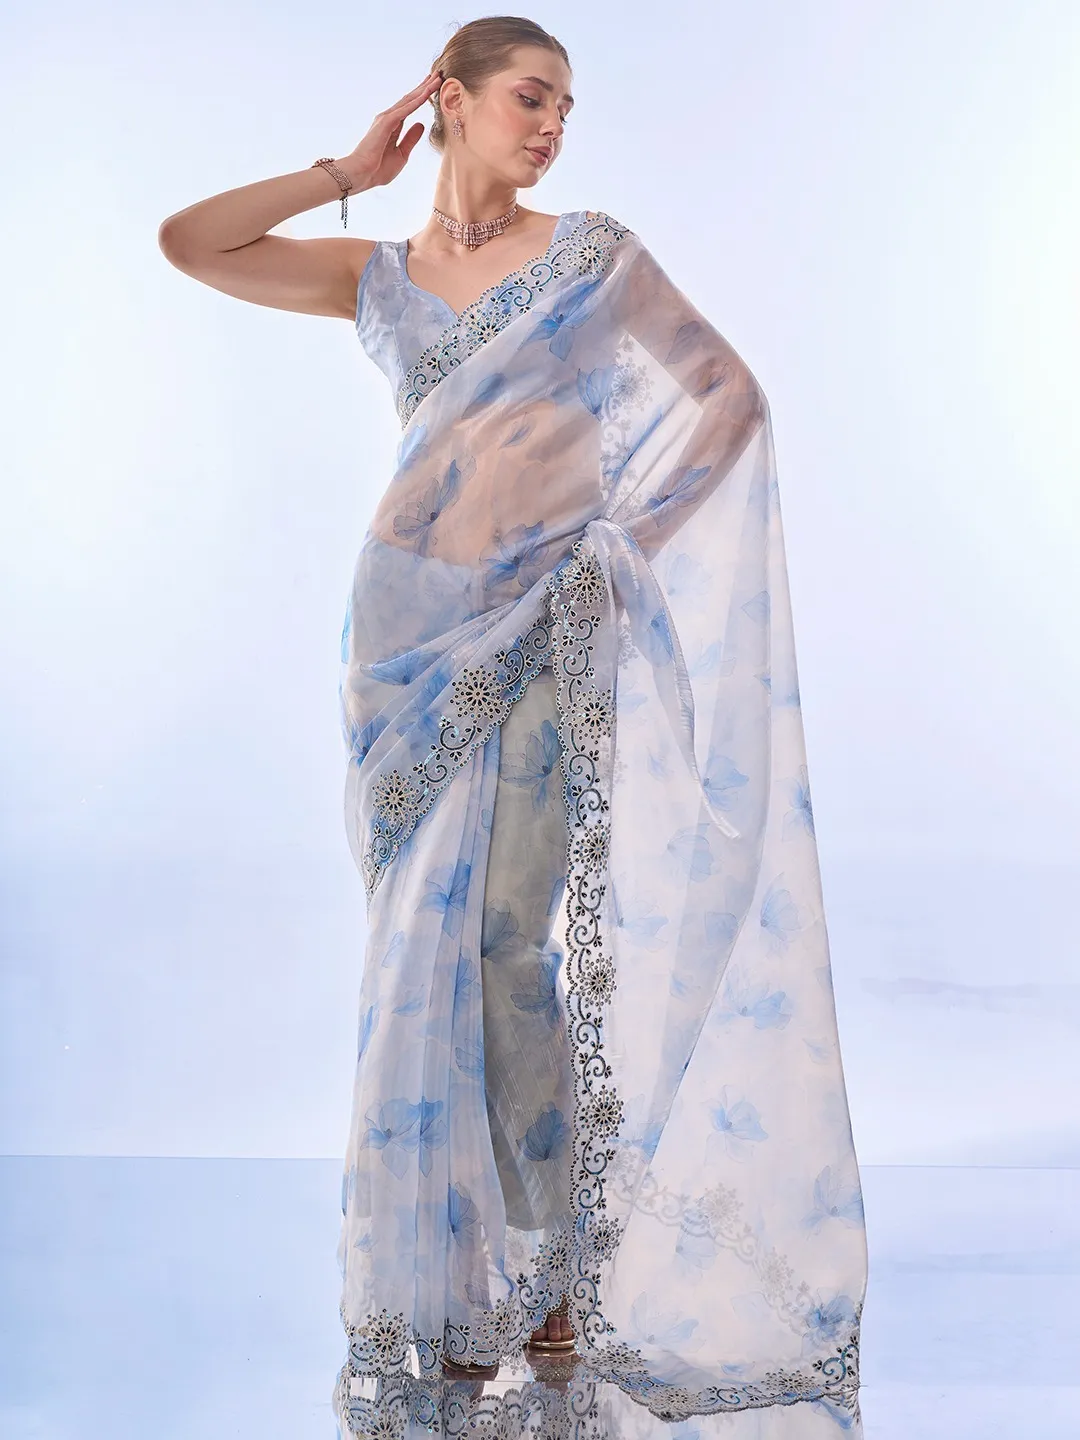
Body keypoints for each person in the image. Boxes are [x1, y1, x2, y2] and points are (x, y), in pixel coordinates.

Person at [159, 15, 868, 1437]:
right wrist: (347, 171)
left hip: (537, 628)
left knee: (501, 947)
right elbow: (193, 243)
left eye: (565, 108)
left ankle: (551, 1274)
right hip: (401, 643)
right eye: (531, 98)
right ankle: (454, 1289)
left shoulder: (590, 257)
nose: (551, 126)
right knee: (417, 958)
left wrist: (619, 543)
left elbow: (727, 399)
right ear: (452, 99)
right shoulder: (377, 276)